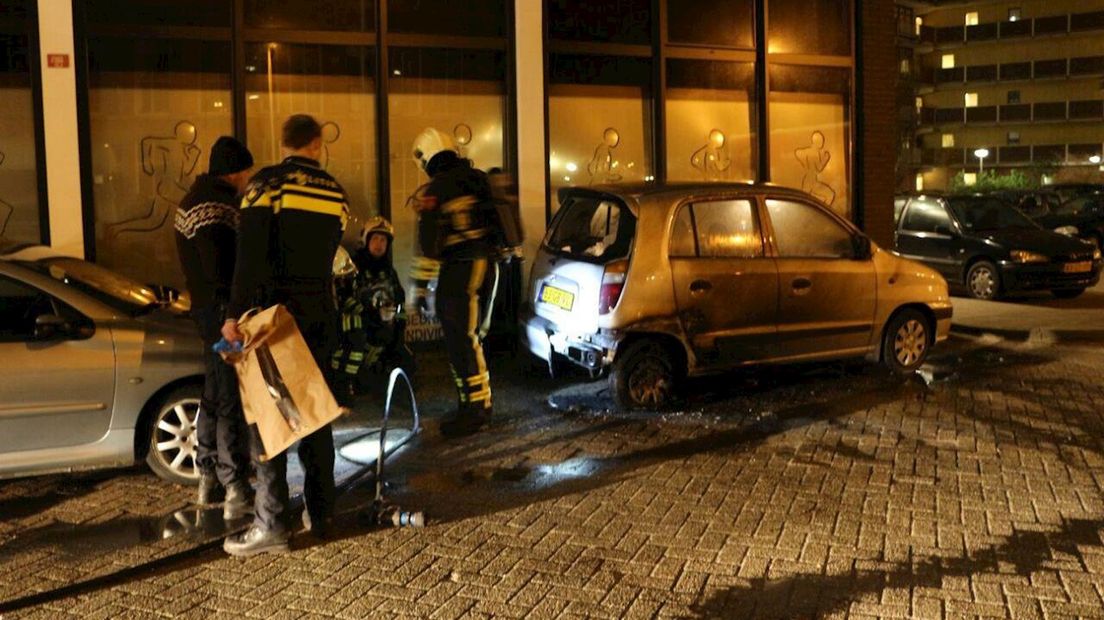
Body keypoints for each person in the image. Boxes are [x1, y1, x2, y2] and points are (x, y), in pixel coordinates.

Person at [221, 114, 349, 556]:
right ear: (317, 143)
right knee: (314, 415)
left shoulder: (266, 186)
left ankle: (272, 522)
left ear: (284, 141)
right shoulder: (335, 191)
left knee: (270, 420)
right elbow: (332, 252)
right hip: (320, 317)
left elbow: (249, 255)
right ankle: (323, 512)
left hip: (275, 322)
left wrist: (235, 314)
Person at [173, 136, 255, 520]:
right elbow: (222, 266)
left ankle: (208, 475)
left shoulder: (191, 200)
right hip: (224, 315)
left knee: (213, 390)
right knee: (229, 400)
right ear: (236, 171)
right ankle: (235, 485)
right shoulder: (218, 207)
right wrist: (232, 313)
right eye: (246, 172)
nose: (247, 180)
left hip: (205, 312)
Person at [409, 128, 503, 437]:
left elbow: (429, 246)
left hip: (460, 269)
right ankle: (476, 403)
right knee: (470, 338)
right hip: (487, 266)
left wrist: (419, 289)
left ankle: (475, 411)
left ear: (428, 158)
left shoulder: (436, 189)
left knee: (460, 340)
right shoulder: (477, 179)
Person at [332, 216, 412, 395]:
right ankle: (346, 384)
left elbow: (400, 302)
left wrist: (399, 329)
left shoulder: (389, 272)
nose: (379, 244)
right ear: (366, 240)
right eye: (375, 238)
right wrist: (367, 316)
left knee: (407, 365)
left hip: (384, 330)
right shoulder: (352, 268)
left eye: (383, 240)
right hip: (358, 331)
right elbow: (343, 299)